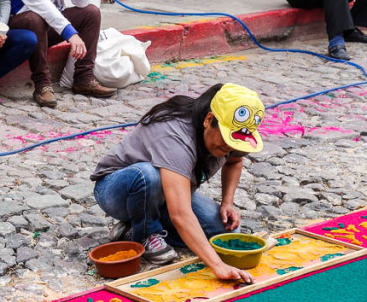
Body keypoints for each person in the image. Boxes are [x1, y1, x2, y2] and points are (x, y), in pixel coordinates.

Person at [90, 83, 264, 282]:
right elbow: (180, 214)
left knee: (222, 232)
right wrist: (218, 265)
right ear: (208, 120)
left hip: (164, 194)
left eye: (235, 143)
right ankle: (145, 232)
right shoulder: (175, 134)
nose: (229, 147)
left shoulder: (236, 136)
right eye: (226, 140)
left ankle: (132, 229)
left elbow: (235, 161)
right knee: (148, 175)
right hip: (117, 190)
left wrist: (227, 203)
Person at [7, 0, 115, 108]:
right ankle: (43, 85)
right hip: (22, 29)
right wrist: (69, 32)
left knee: (91, 12)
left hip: (49, 27)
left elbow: (82, 1)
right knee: (35, 18)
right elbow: (39, 4)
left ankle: (83, 78)